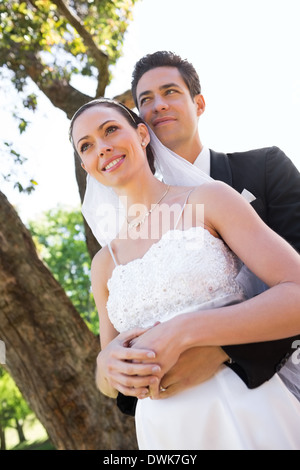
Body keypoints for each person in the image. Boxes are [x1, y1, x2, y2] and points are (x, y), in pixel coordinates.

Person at [69, 98, 300, 449]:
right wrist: (106, 366)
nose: (102, 147)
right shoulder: (104, 263)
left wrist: (187, 331)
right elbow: (107, 379)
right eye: (86, 146)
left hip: (242, 408)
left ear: (143, 135)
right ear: (86, 165)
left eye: (111, 130)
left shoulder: (208, 200)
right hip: (166, 433)